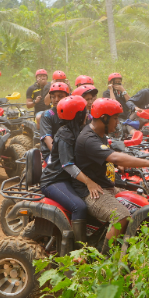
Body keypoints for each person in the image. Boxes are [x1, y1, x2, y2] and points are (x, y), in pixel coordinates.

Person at [74, 98, 149, 242]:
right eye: (115, 118)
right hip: (89, 192)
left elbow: (104, 158)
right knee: (121, 217)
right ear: (104, 118)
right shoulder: (88, 139)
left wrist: (116, 165)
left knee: (139, 203)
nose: (118, 122)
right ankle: (107, 259)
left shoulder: (99, 134)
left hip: (104, 186)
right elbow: (115, 157)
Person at [39, 95, 98, 243]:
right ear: (77, 115)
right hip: (54, 180)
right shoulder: (65, 134)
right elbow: (68, 166)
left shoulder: (79, 129)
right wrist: (89, 182)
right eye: (84, 111)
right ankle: (80, 250)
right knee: (79, 207)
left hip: (68, 179)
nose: (87, 114)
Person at [39, 81, 72, 161]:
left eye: (60, 96)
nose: (56, 99)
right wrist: (61, 155)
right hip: (52, 153)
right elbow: (47, 138)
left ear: (68, 96)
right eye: (53, 97)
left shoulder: (72, 113)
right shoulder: (47, 115)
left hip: (70, 150)